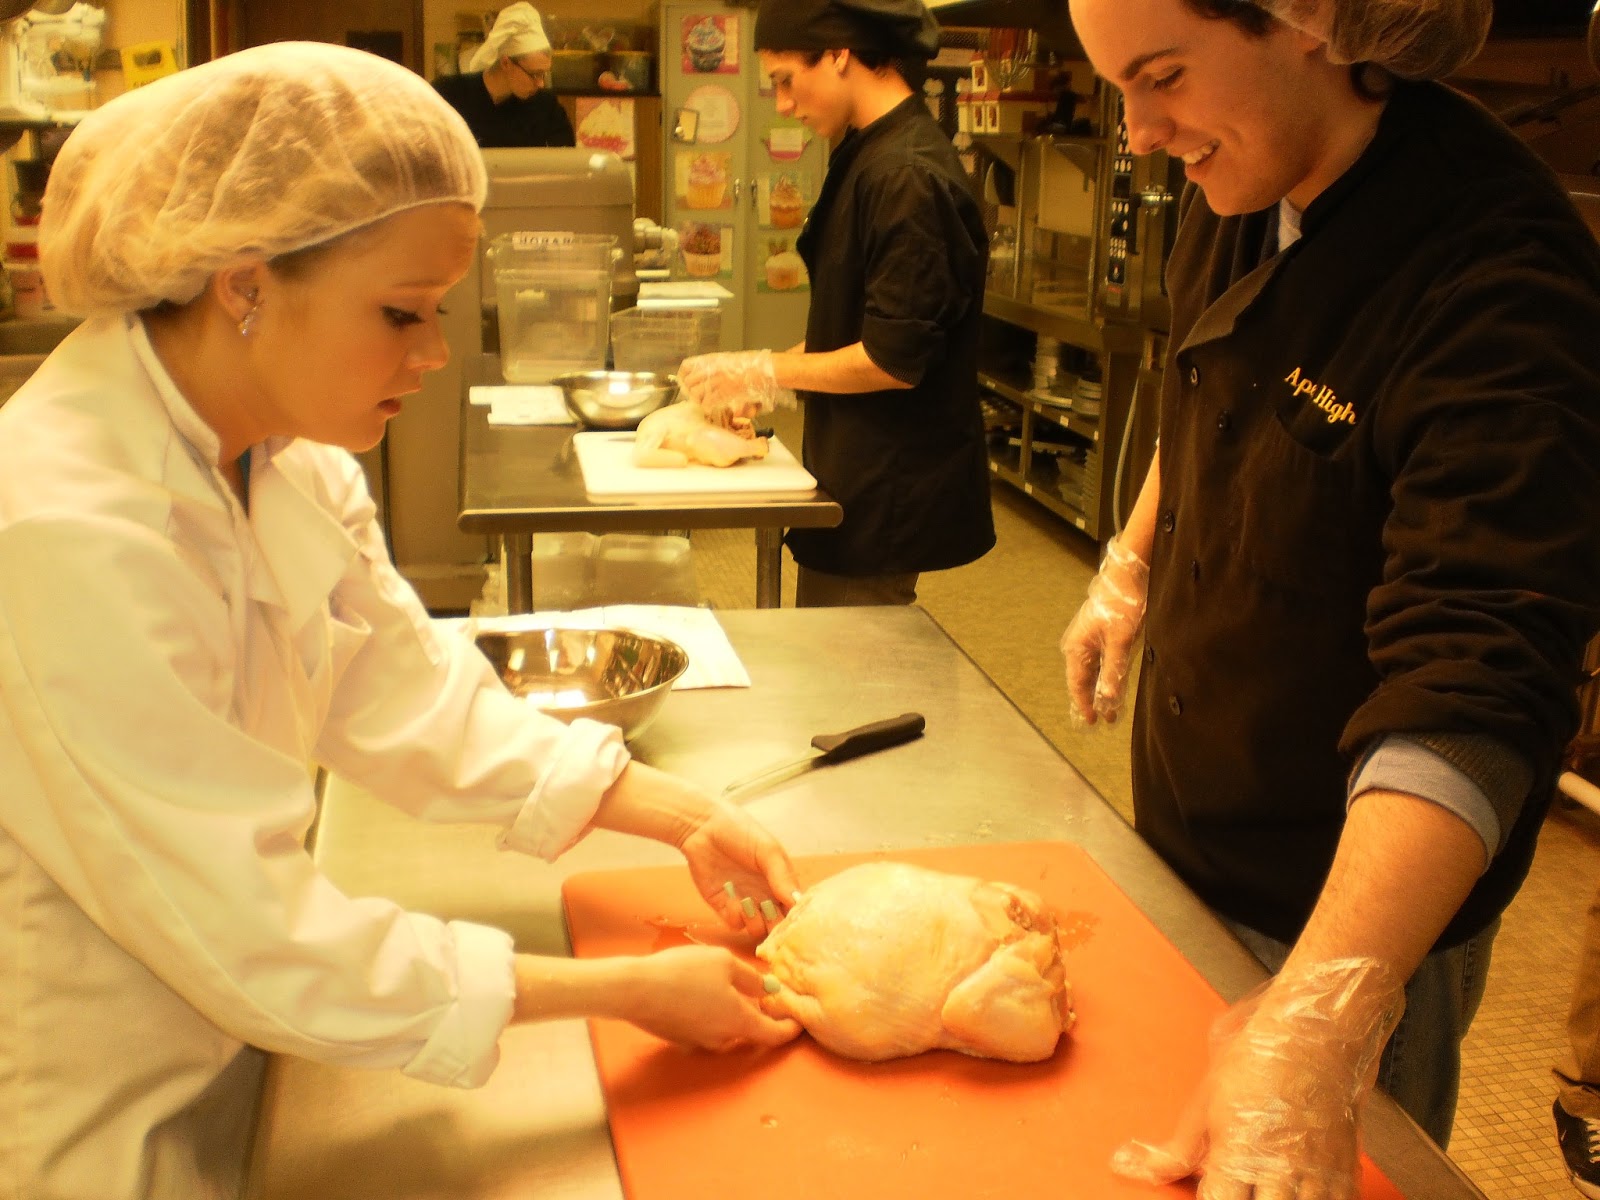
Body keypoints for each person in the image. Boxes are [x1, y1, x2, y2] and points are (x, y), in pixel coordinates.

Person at [0, 42, 800, 1199]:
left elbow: (407, 689)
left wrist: (679, 814)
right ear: (246, 283)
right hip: (95, 1103)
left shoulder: (276, 451)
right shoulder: (63, 528)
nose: (432, 354)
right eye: (400, 312)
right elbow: (251, 933)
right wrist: (623, 992)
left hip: (246, 1041)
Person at [1058, 0, 1600, 1194]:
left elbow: (1478, 668)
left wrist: (1317, 1014)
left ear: (1307, 18)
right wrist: (1130, 563)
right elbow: (1212, 376)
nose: (1140, 133)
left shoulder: (1496, 274)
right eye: (1116, 89)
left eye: (1160, 77)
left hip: (1349, 907)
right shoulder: (1245, 175)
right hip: (1198, 824)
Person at [674, 0, 995, 608]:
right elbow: (848, 326)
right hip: (856, 468)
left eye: (786, 81)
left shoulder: (907, 176)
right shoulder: (869, 152)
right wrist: (766, 380)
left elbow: (891, 358)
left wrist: (766, 369)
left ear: (840, 54)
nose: (784, 104)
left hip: (888, 488)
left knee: (855, 685)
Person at [433, 2, 576, 148]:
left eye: (544, 74)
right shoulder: (449, 95)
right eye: (535, 74)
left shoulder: (545, 107)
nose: (541, 84)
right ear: (506, 63)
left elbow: (565, 158)